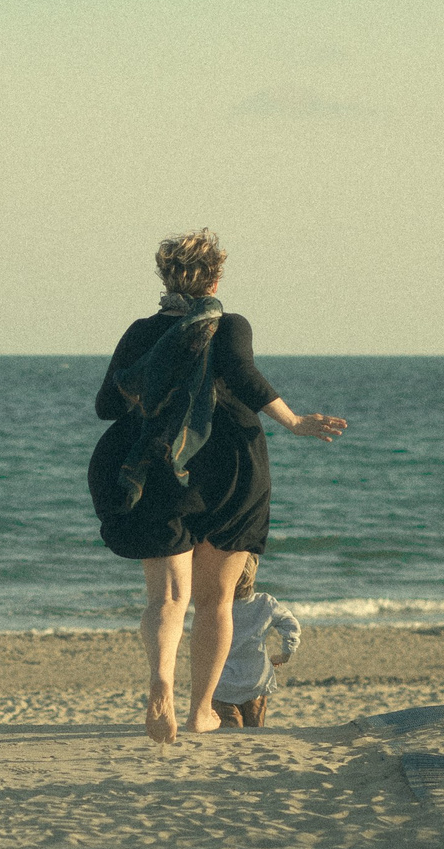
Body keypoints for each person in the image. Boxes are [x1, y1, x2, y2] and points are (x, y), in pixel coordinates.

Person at [87, 228, 346, 744]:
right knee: (216, 601)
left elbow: (107, 406)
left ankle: (160, 682)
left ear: (165, 276)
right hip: (231, 466)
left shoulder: (140, 331)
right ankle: (201, 709)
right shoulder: (228, 324)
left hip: (162, 466)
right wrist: (293, 421)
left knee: (167, 600)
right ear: (217, 276)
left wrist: (158, 400)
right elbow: (245, 379)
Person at [214, 563, 301, 728]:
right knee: (254, 731)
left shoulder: (214, 604)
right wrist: (285, 654)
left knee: (231, 736)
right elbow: (291, 625)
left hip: (222, 684)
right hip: (256, 681)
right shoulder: (264, 603)